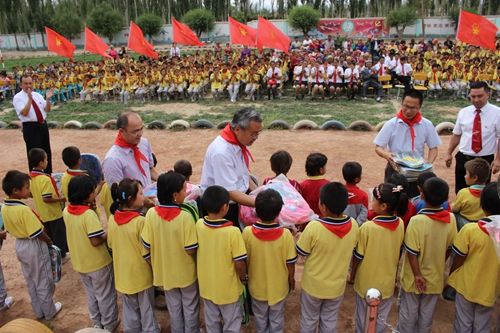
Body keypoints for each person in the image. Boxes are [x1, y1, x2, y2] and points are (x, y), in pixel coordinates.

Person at [296, 182, 359, 333]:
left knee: (309, 320)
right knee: (329, 320)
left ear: (322, 206)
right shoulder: (354, 225)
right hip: (336, 286)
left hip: (313, 285)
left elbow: (301, 251)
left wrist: (297, 236)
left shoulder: (314, 227)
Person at [397, 177, 457, 333]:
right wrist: (440, 261)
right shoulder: (450, 219)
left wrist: (417, 275)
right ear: (446, 198)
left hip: (413, 278)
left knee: (408, 314)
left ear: (421, 194)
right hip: (435, 276)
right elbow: (451, 247)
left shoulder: (417, 221)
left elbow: (411, 252)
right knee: (427, 315)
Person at [142, 172, 199, 333]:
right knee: (190, 307)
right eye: (184, 190)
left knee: (174, 308)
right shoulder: (185, 217)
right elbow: (190, 249)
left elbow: (146, 243)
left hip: (164, 272)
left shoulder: (151, 214)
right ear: (175, 195)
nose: (186, 192)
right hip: (186, 272)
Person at [1, 170, 62, 320]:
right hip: (33, 244)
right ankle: (49, 311)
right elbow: (37, 233)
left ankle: (39, 311)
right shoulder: (23, 210)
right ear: (16, 191)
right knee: (43, 279)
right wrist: (49, 240)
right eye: (27, 187)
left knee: (31, 280)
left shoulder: (4, 207)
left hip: (20, 244)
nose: (29, 190)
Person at [63, 175, 118, 332]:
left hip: (80, 262)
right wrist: (109, 232)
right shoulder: (88, 214)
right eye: (93, 191)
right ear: (87, 194)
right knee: (105, 295)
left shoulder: (67, 210)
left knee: (92, 294)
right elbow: (95, 240)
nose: (95, 194)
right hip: (98, 262)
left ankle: (96, 323)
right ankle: (109, 324)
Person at [350, 183, 406, 333]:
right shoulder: (400, 223)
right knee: (382, 317)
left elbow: (358, 256)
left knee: (362, 316)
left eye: (374, 199)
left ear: (383, 206)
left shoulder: (368, 228)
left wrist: (353, 274)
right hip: (387, 281)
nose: (371, 202)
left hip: (366, 282)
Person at [108, 178, 160, 333]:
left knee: (130, 309)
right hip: (141, 275)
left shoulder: (112, 219)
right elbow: (146, 252)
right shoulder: (140, 222)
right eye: (141, 193)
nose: (144, 196)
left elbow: (110, 245)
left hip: (123, 275)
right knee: (147, 309)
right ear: (131, 199)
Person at [447, 182, 500, 333]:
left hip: (466, 284)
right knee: (483, 323)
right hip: (490, 288)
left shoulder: (470, 230)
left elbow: (458, 258)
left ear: (482, 205)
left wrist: (452, 276)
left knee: (463, 322)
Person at [242, 189, 297, 333]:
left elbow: (243, 259)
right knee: (276, 320)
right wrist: (291, 279)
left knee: (260, 319)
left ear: (256, 211)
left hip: (256, 286)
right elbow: (290, 262)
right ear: (279, 213)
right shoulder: (286, 235)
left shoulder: (247, 232)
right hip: (279, 288)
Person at [196, 185, 247, 333]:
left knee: (212, 322)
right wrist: (243, 278)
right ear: (225, 207)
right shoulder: (233, 232)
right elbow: (239, 263)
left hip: (207, 287)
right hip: (229, 290)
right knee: (232, 323)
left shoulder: (199, 225)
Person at [200, 108, 262, 227]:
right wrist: (260, 203)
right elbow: (230, 192)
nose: (256, 137)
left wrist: (257, 192)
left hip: (236, 199)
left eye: (258, 133)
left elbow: (243, 173)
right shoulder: (222, 152)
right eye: (253, 133)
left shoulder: (237, 142)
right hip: (222, 208)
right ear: (238, 129)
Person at [374, 89, 441, 197]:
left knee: (415, 199)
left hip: (418, 171)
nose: (408, 111)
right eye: (406, 106)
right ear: (402, 103)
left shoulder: (427, 124)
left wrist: (428, 164)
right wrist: (387, 156)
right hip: (395, 169)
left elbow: (433, 147)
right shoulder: (391, 124)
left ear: (419, 107)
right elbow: (378, 147)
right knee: (393, 198)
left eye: (413, 108)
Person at [445, 81, 500, 193]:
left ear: (488, 94)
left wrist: (498, 159)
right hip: (464, 159)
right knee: (461, 191)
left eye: (480, 96)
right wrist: (448, 153)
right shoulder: (463, 112)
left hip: (484, 161)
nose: (476, 100)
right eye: (473, 96)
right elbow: (457, 134)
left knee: (482, 194)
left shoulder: (497, 113)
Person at [102, 112, 158, 212]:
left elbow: (150, 169)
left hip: (150, 202)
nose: (140, 134)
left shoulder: (144, 143)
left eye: (141, 129)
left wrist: (164, 181)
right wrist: (144, 201)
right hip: (133, 213)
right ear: (121, 131)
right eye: (135, 131)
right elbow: (119, 193)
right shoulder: (112, 160)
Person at [28, 148, 68, 259]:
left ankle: (54, 255)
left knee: (51, 234)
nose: (47, 162)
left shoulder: (31, 178)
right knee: (59, 235)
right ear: (41, 163)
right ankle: (61, 256)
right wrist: (61, 199)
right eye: (46, 160)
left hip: (43, 213)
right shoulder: (44, 179)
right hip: (53, 212)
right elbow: (47, 198)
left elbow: (31, 194)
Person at [12, 74, 55, 174]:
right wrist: (29, 99)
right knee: (34, 154)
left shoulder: (38, 95)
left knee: (46, 152)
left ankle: (48, 175)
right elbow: (24, 112)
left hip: (42, 125)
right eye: (26, 83)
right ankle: (35, 177)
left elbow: (47, 109)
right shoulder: (18, 98)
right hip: (31, 128)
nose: (28, 86)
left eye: (30, 83)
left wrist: (48, 99)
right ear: (21, 85)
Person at [452, 158, 489, 229]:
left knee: (452, 215)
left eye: (466, 174)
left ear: (475, 177)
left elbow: (455, 209)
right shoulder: (489, 192)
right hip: (483, 224)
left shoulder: (463, 192)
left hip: (464, 223)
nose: (464, 176)